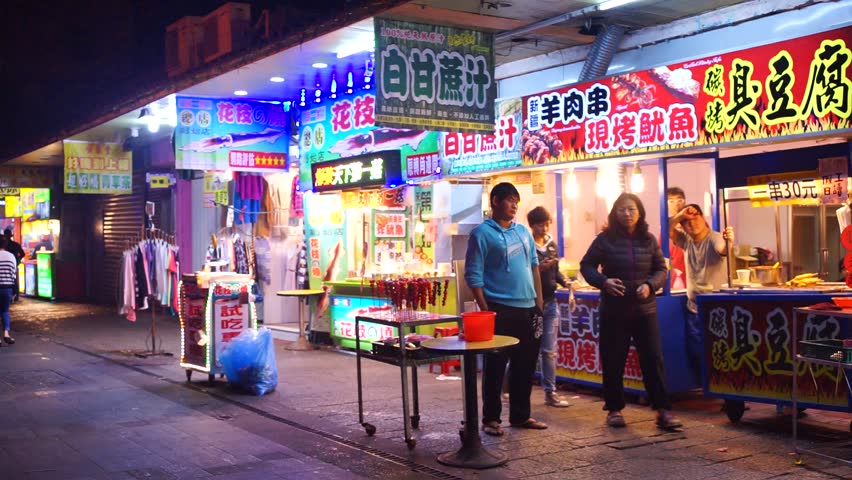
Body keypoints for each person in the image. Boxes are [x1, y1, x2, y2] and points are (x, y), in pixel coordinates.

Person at [580, 193, 681, 429]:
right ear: (615, 213)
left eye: (632, 210)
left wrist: (650, 285)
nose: (627, 214)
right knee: (614, 359)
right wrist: (604, 282)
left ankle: (662, 411)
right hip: (614, 311)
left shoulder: (648, 239)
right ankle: (614, 409)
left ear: (640, 212)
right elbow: (586, 265)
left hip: (645, 310)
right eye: (622, 210)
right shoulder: (605, 239)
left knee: (653, 359)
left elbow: (661, 269)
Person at [465, 182, 547, 436]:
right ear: (495, 202)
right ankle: (491, 419)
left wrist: (539, 303)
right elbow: (473, 275)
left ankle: (521, 416)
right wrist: (486, 309)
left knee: (526, 364)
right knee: (496, 366)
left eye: (516, 201)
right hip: (499, 308)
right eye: (509, 200)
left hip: (529, 308)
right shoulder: (482, 234)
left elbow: (534, 267)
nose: (514, 205)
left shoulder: (523, 232)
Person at [669, 203, 733, 380]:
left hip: (716, 310)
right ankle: (709, 389)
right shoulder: (686, 240)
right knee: (698, 351)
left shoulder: (715, 238)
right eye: (686, 222)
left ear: (704, 219)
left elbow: (723, 249)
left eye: (695, 217)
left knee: (720, 351)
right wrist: (680, 214)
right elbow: (668, 228)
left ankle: (726, 395)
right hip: (694, 308)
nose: (692, 223)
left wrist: (729, 242)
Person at [527, 206, 572, 408]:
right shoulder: (527, 244)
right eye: (539, 224)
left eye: (546, 224)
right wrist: (538, 268)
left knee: (549, 350)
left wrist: (567, 282)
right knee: (526, 350)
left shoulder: (552, 244)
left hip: (551, 303)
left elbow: (556, 271)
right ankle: (509, 388)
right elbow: (523, 273)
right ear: (532, 225)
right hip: (532, 304)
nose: (544, 228)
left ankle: (550, 393)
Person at [666, 187, 687, 290]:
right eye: (671, 201)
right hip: (674, 278)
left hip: (694, 276)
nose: (676, 204)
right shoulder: (665, 228)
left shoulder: (695, 223)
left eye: (679, 200)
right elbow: (662, 257)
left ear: (685, 202)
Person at [0, 236, 17, 345]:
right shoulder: (11, 256)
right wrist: (14, 291)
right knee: (5, 311)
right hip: (7, 288)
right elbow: (13, 274)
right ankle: (6, 334)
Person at [3, 228, 24, 301]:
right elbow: (22, 254)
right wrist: (18, 260)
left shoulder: (4, 246)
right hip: (14, 264)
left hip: (4, 265)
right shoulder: (16, 244)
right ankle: (16, 295)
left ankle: (10, 294)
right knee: (15, 279)